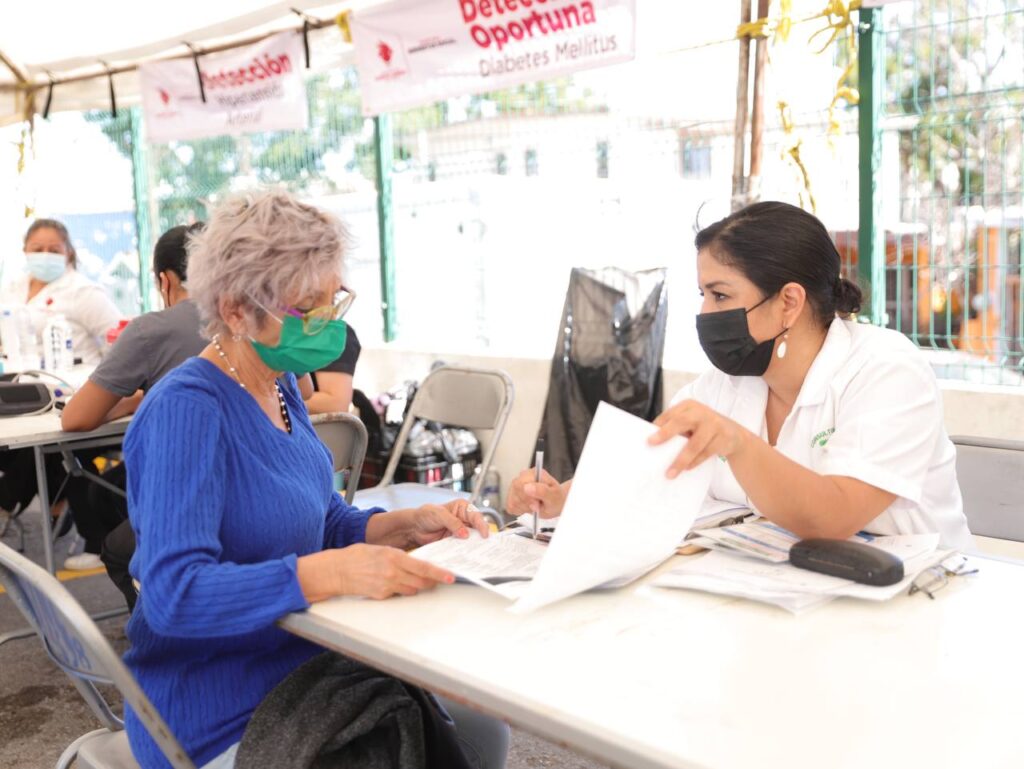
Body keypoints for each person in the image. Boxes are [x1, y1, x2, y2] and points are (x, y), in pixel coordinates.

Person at [122, 191, 509, 769]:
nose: (328, 322)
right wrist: (325, 573)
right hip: (212, 709)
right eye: (309, 307)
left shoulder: (278, 384)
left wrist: (403, 526)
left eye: (334, 301)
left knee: (485, 728)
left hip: (300, 668)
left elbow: (319, 519)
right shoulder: (188, 411)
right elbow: (174, 595)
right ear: (234, 309)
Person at [507, 201, 971, 550]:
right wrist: (561, 496)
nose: (705, 313)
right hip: (786, 592)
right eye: (702, 294)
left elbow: (835, 516)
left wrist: (737, 442)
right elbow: (644, 465)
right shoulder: (730, 381)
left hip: (913, 605)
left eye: (721, 296)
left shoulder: (886, 369)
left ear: (789, 302)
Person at [59, 224, 208, 574]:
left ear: (165, 280)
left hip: (185, 488)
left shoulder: (150, 330)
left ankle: (159, 595)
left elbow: (75, 419)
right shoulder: (257, 320)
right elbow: (305, 392)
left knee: (112, 525)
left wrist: (135, 400)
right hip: (264, 480)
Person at [0, 219, 121, 525]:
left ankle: (6, 504)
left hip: (70, 392)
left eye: (53, 249)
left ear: (68, 252)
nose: (45, 255)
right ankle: (55, 507)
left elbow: (118, 344)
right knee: (25, 445)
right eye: (37, 249)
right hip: (18, 391)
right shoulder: (13, 288)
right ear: (24, 251)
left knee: (40, 444)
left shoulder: (84, 292)